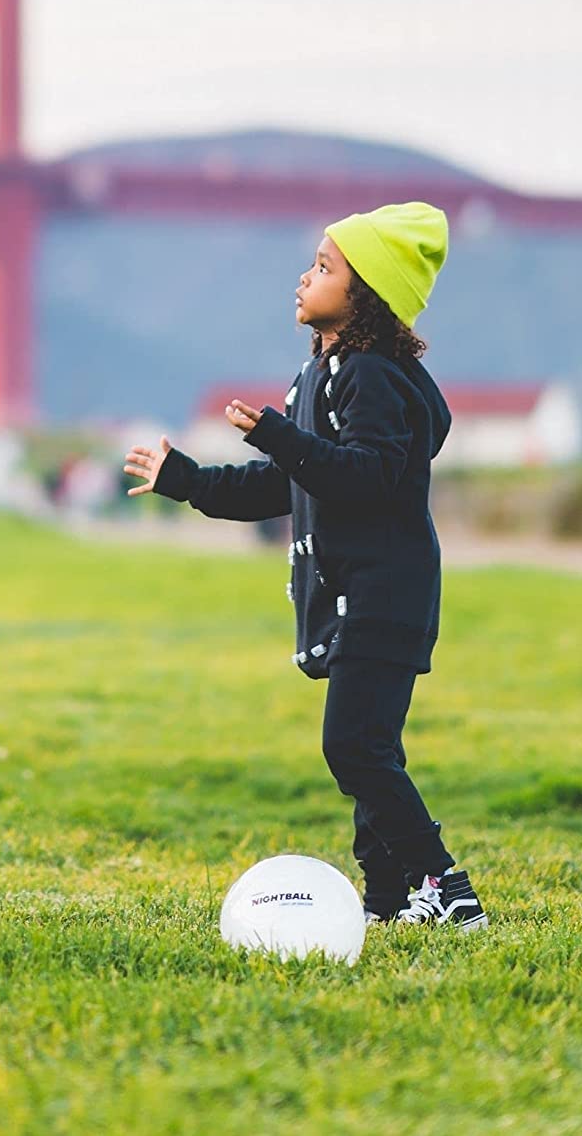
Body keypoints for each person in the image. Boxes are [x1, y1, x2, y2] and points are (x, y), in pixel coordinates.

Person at [123, 202, 487, 931]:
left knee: (353, 746)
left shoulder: (374, 377)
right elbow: (283, 487)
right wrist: (186, 480)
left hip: (386, 591)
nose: (304, 276)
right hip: (359, 593)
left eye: (324, 268)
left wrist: (283, 437)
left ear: (366, 295)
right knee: (370, 749)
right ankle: (387, 903)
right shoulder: (324, 372)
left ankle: (446, 887)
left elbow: (366, 476)